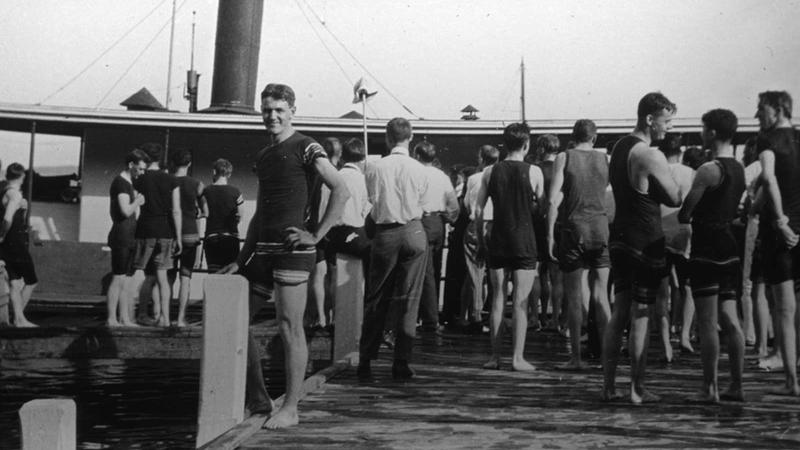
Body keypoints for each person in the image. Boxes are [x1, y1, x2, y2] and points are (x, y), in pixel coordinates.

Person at [221, 83, 348, 429]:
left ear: (292, 110)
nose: (272, 116)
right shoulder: (264, 155)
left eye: (279, 109)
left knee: (290, 327)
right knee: (235, 323)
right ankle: (260, 396)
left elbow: (341, 187)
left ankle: (291, 407)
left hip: (293, 252)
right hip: (261, 252)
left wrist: (316, 235)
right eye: (266, 110)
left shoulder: (306, 146)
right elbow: (261, 210)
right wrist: (243, 257)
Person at [603, 92, 682, 403]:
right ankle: (637, 389)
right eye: (666, 122)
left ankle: (608, 387)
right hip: (645, 239)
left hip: (620, 236)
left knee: (618, 311)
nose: (668, 129)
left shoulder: (620, 147)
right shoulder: (651, 155)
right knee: (642, 313)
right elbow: (675, 198)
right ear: (650, 119)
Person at [678, 108, 745, 402]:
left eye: (704, 128)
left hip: (706, 247)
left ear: (713, 133)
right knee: (731, 319)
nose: (702, 133)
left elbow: (685, 212)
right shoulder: (739, 168)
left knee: (706, 321)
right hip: (730, 246)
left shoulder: (708, 170)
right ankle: (737, 386)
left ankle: (709, 387)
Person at [357, 117, 428, 382]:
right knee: (409, 298)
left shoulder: (375, 167)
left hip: (385, 232)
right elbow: (424, 203)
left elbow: (372, 203)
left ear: (388, 138)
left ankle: (365, 361)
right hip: (413, 230)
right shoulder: (420, 169)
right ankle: (401, 361)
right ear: (410, 138)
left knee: (376, 297)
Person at [477, 122, 544, 372]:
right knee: (521, 302)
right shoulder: (534, 171)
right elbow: (543, 208)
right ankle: (517, 358)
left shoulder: (490, 172)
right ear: (526, 145)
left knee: (496, 299)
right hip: (525, 240)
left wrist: (481, 239)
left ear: (504, 145)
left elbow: (477, 209)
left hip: (499, 240)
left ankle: (494, 357)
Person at [547, 119, 611, 370]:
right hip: (600, 227)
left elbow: (553, 200)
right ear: (594, 138)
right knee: (602, 295)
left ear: (573, 137)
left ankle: (576, 358)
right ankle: (607, 356)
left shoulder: (565, 157)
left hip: (574, 227)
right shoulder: (604, 159)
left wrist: (550, 236)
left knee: (573, 296)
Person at [752, 91, 800, 396]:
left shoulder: (766, 141)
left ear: (778, 109)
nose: (758, 115)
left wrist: (780, 220)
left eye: (761, 109)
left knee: (783, 307)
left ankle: (791, 380)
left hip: (778, 230)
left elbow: (768, 179)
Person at [128, 142, 182, 327]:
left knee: (146, 276)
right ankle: (164, 318)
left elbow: (133, 204)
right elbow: (176, 211)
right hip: (165, 231)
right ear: (161, 158)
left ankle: (141, 314)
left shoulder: (139, 179)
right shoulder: (172, 180)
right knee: (162, 277)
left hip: (145, 229)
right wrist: (179, 237)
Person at [656, 134, 696, 360]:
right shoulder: (690, 173)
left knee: (662, 291)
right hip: (684, 232)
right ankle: (684, 336)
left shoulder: (656, 172)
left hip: (659, 234)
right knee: (687, 287)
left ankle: (665, 345)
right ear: (680, 152)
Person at [415, 141, 459, 332]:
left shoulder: (415, 174)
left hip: (421, 220)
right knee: (435, 268)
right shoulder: (442, 176)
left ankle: (427, 318)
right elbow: (454, 205)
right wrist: (449, 219)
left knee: (422, 271)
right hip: (439, 223)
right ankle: (431, 317)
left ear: (417, 156)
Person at [106, 149, 148, 327]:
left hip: (130, 235)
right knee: (118, 278)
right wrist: (137, 201)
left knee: (126, 279)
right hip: (121, 235)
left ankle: (124, 318)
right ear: (131, 165)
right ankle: (111, 318)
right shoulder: (121, 183)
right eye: (140, 169)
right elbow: (125, 210)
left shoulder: (129, 183)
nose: (142, 173)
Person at [462, 145, 499, 333]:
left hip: (477, 224)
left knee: (475, 272)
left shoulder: (474, 179)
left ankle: (475, 315)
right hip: (496, 226)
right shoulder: (500, 176)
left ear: (481, 159)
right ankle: (493, 313)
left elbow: (468, 204)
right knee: (496, 272)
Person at [308, 137, 343, 328]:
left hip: (318, 228)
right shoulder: (338, 176)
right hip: (334, 228)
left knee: (320, 274)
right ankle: (332, 315)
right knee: (333, 275)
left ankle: (320, 315)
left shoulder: (318, 175)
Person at [171, 149, 206, 327]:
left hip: (170, 233)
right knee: (185, 277)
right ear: (189, 163)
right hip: (190, 233)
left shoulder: (167, 182)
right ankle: (180, 318)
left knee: (167, 277)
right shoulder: (197, 184)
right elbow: (206, 211)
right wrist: (196, 214)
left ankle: (164, 316)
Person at [533, 134, 564, 332]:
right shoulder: (562, 169)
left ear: (542, 148)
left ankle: (537, 316)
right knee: (556, 275)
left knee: (537, 273)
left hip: (537, 222)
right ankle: (555, 318)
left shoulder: (536, 170)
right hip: (559, 222)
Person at [0, 163, 37, 327]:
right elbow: (8, 218)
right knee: (31, 281)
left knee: (15, 282)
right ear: (22, 177)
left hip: (7, 244)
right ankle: (19, 318)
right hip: (15, 241)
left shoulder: (4, 192)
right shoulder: (15, 194)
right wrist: (1, 235)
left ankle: (18, 319)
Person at [325, 138, 371, 262]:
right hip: (356, 235)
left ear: (342, 157)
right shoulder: (363, 180)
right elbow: (366, 210)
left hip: (333, 235)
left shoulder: (333, 177)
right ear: (363, 159)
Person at [202, 158, 244, 272]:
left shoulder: (206, 191)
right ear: (229, 174)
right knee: (229, 275)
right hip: (231, 237)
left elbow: (203, 212)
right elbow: (240, 215)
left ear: (214, 172)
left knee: (214, 274)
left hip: (212, 237)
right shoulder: (236, 192)